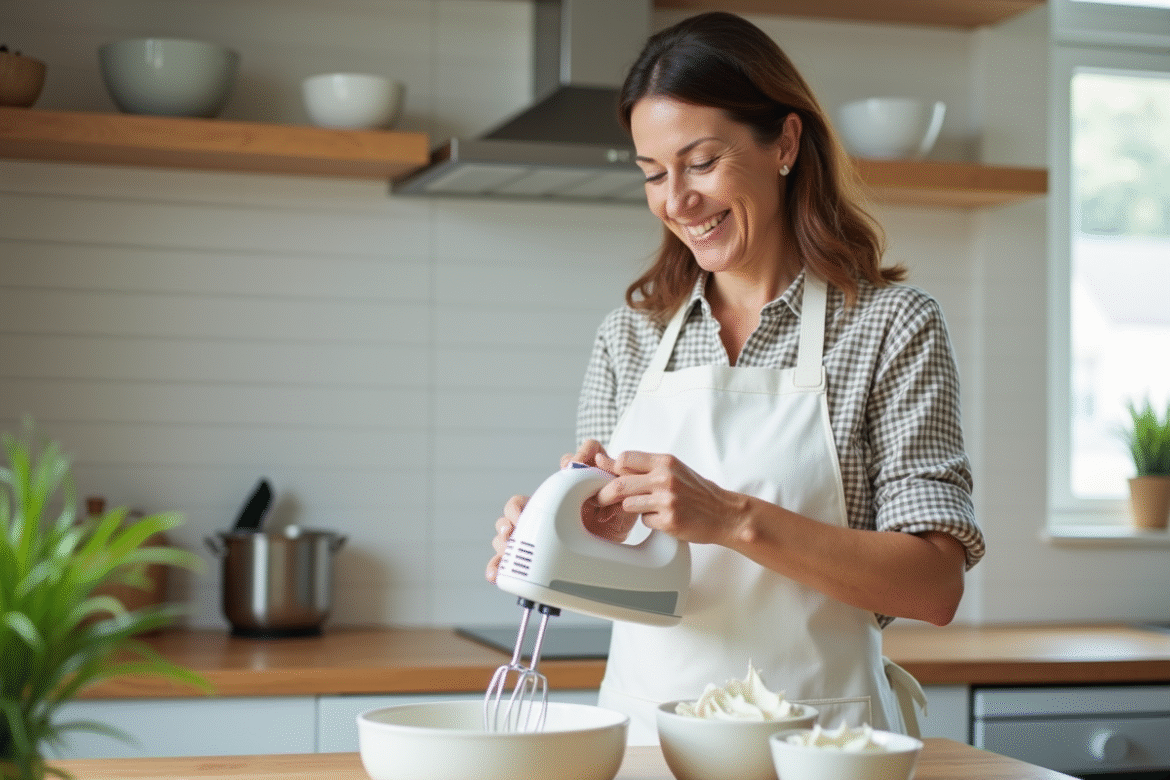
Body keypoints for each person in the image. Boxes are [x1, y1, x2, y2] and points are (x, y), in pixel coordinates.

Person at [486, 11, 984, 745]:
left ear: (784, 142)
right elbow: (638, 582)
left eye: (701, 161)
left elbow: (935, 586)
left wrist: (733, 520)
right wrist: (558, 544)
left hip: (822, 744)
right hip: (648, 738)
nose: (676, 201)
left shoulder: (891, 327)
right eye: (653, 174)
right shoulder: (631, 336)